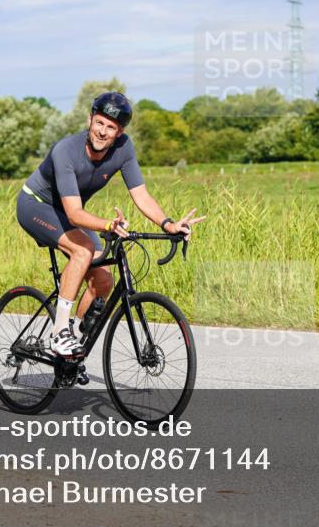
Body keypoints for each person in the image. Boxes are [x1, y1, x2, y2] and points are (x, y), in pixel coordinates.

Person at [17, 91, 205, 360]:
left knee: (104, 280)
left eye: (111, 127)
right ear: (90, 119)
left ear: (120, 132)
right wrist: (107, 224)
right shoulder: (66, 151)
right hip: (36, 205)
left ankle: (72, 341)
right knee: (82, 251)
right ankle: (59, 333)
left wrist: (168, 224)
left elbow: (140, 194)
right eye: (99, 123)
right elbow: (73, 213)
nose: (103, 132)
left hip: (72, 211)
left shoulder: (124, 149)